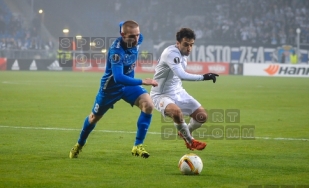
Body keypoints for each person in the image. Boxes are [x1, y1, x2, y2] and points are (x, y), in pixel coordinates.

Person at [69, 20, 158, 159]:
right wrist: (143, 81)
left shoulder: (139, 39)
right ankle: (79, 144)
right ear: (122, 34)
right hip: (110, 88)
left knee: (148, 105)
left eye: (137, 35)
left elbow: (127, 26)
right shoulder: (116, 51)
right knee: (93, 118)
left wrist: (123, 23)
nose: (136, 39)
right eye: (132, 36)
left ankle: (137, 145)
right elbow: (118, 78)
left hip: (128, 87)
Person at [150, 28, 219, 151]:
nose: (189, 48)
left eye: (191, 45)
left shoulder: (183, 55)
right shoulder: (171, 53)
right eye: (186, 44)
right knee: (176, 113)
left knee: (202, 116)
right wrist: (203, 77)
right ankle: (190, 140)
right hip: (161, 94)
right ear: (178, 43)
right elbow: (182, 74)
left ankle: (184, 131)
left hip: (178, 91)